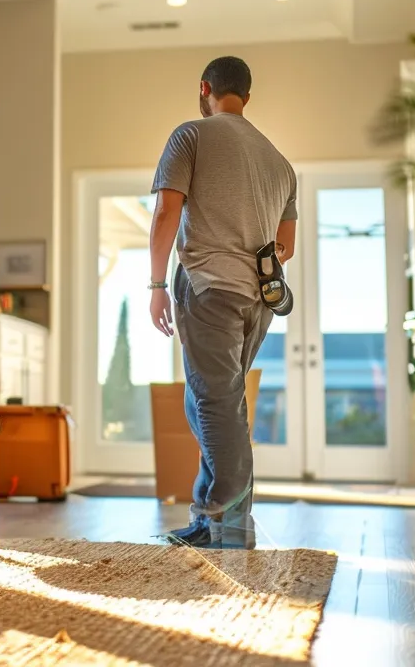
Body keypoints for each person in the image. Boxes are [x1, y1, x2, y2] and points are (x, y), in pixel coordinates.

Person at [148, 56, 297, 550]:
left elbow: (168, 210)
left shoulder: (190, 135)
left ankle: (232, 526)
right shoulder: (279, 161)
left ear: (204, 88)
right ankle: (208, 516)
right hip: (257, 300)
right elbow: (285, 246)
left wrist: (155, 286)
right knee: (211, 404)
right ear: (247, 97)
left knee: (214, 407)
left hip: (210, 287)